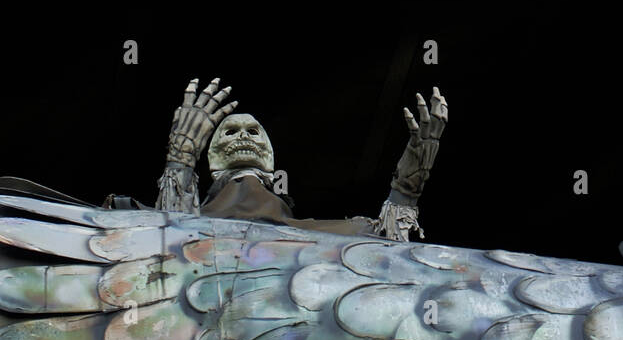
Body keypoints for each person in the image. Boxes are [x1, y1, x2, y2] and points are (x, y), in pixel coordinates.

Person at [155, 76, 447, 241]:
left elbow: (388, 247)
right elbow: (166, 242)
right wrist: (180, 157)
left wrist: (408, 186)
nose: (243, 138)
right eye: (231, 132)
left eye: (253, 132)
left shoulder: (311, 236)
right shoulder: (193, 224)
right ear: (213, 159)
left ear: (269, 159)